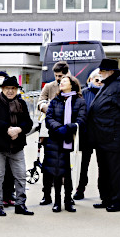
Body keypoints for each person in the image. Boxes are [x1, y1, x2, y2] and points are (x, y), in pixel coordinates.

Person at [87, 57, 120, 212]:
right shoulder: (107, 85)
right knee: (105, 171)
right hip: (103, 137)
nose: (100, 73)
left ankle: (119, 201)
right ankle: (107, 198)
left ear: (110, 72)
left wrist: (116, 128)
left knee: (117, 172)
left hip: (115, 138)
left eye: (102, 71)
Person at [0, 75, 35, 216]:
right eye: (7, 88)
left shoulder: (21, 103)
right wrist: (8, 129)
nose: (10, 91)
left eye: (13, 88)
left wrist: (18, 129)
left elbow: (28, 122)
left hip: (17, 146)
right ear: (2, 89)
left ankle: (20, 204)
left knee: (20, 176)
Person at [44, 75, 88, 212]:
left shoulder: (79, 101)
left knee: (68, 173)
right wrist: (59, 129)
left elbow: (81, 120)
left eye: (64, 81)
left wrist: (68, 128)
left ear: (72, 84)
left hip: (70, 141)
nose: (61, 83)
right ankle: (57, 201)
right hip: (55, 140)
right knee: (57, 172)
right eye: (60, 81)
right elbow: (49, 118)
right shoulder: (55, 100)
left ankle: (68, 200)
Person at [37, 60, 69, 205]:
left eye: (60, 75)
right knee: (48, 164)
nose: (58, 78)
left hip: (66, 131)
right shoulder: (50, 86)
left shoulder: (72, 85)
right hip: (50, 131)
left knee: (66, 166)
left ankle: (67, 197)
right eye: (56, 75)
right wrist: (46, 107)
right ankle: (46, 194)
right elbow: (40, 101)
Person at [74, 69, 103, 200]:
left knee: (102, 164)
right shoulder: (84, 94)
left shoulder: (106, 93)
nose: (99, 82)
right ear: (90, 80)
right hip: (86, 134)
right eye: (96, 79)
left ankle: (103, 191)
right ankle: (80, 189)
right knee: (84, 164)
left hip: (101, 134)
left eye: (101, 80)